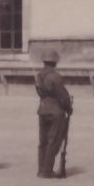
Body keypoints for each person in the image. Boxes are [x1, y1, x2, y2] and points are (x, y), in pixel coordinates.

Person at [35, 50, 73, 178]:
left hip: (42, 109)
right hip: (56, 111)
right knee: (53, 141)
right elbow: (62, 95)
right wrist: (68, 107)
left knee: (43, 141)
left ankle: (41, 169)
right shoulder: (55, 76)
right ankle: (47, 170)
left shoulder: (39, 75)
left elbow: (40, 93)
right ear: (55, 62)